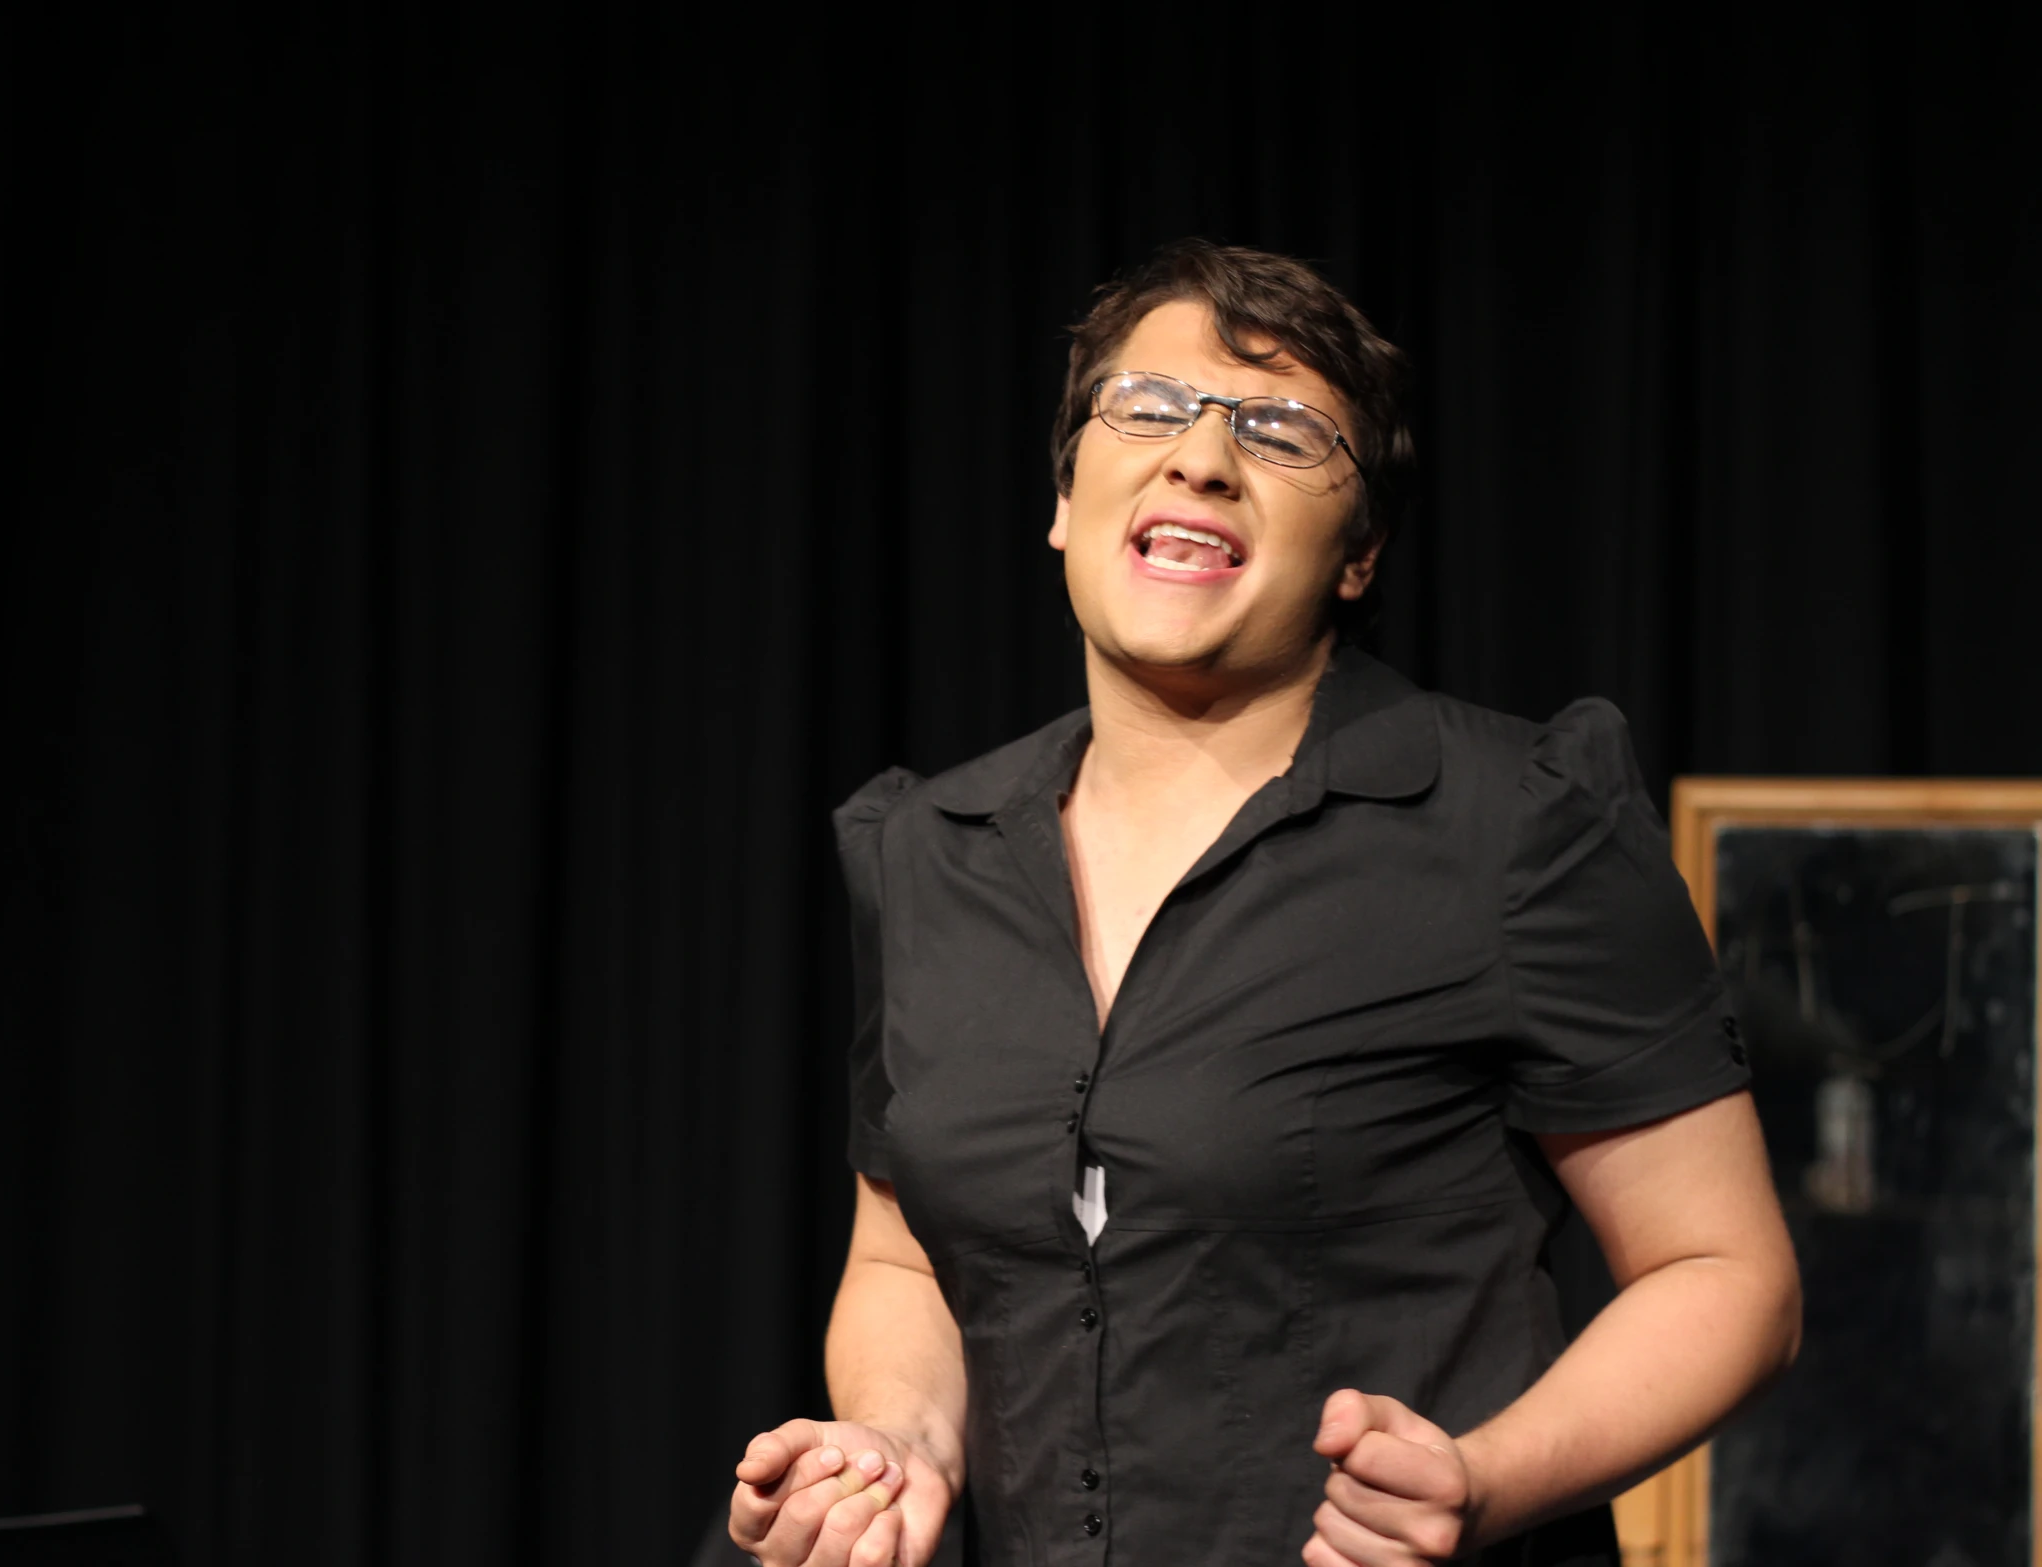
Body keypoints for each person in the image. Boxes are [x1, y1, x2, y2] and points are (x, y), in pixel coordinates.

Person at [727, 241, 1801, 1567]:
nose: (1200, 455)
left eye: (1284, 431)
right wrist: (904, 1435)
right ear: (1064, 496)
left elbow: (1725, 1274)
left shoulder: (1513, 822)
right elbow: (905, 1260)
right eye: (1149, 406)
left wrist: (1477, 1480)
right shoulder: (929, 851)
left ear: (1358, 558)